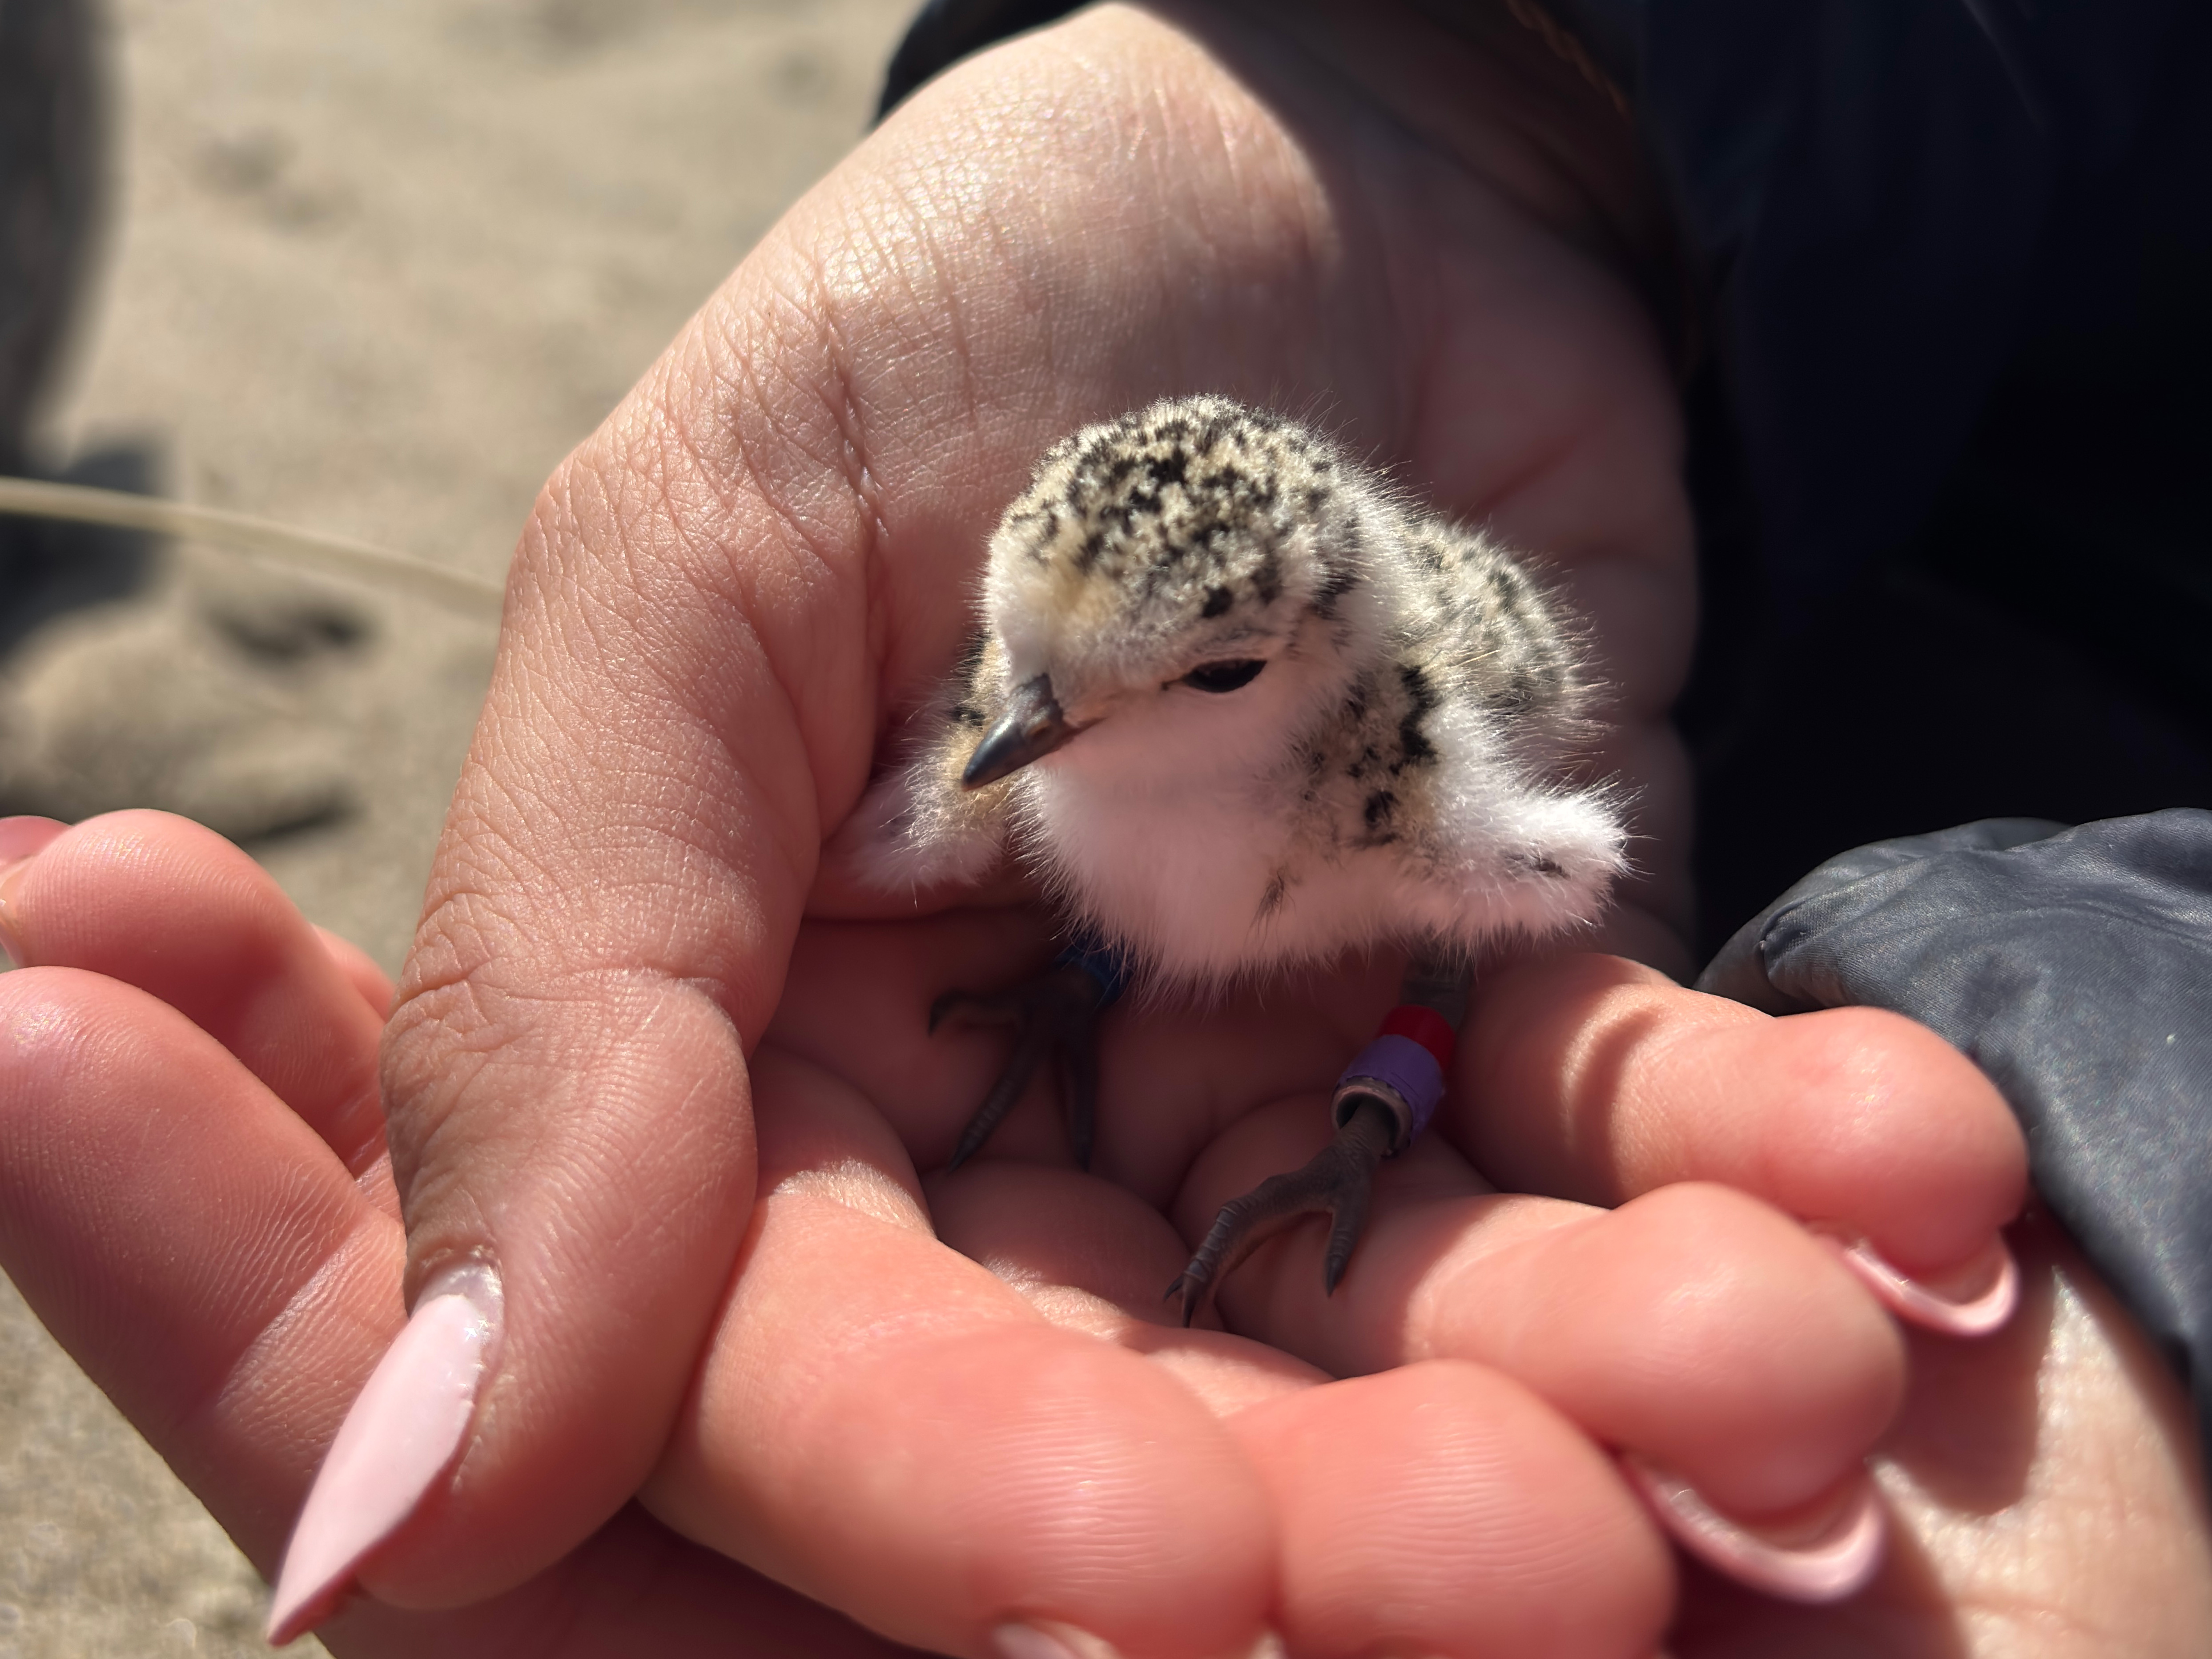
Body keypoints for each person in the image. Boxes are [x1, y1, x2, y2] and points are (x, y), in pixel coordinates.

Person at [1, 3, 2207, 1656]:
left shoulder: (1385, 766)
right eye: (1018, 669)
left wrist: (1387, 1085)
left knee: (1452, 936)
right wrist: (1447, 65)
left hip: (1873, 695)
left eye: (1174, 690)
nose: (1009, 744)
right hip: (1843, 360)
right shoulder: (1065, 694)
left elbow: (1534, 880)